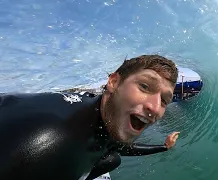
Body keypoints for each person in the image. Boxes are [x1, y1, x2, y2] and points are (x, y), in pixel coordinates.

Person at [0, 55, 180, 180]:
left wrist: (163, 147)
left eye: (164, 100)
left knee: (112, 159)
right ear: (114, 82)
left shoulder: (107, 121)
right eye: (145, 87)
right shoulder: (47, 145)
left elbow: (119, 147)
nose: (155, 108)